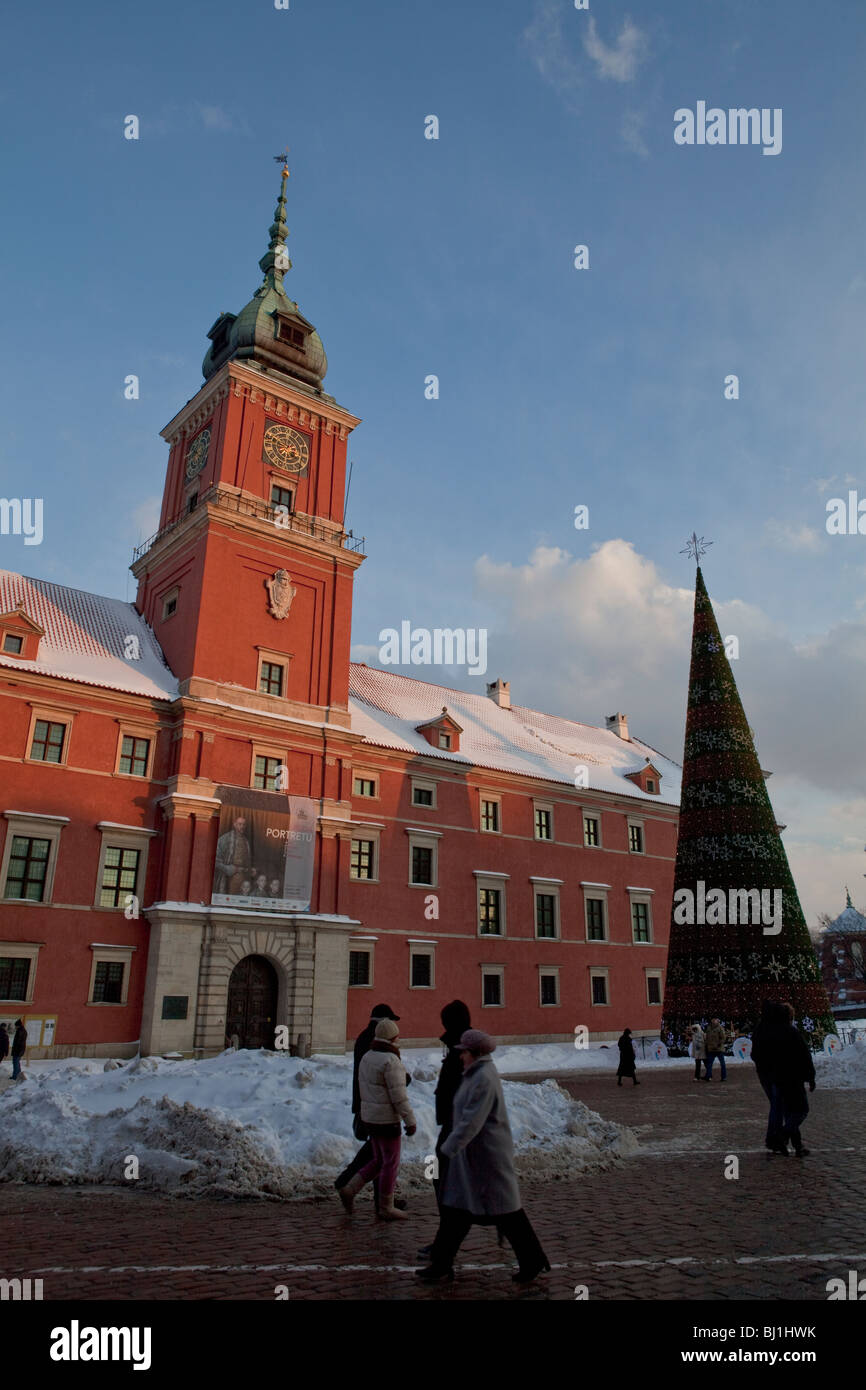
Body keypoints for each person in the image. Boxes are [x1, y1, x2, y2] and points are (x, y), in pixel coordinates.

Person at [417, 1030, 550, 1285]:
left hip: (487, 1158)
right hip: (473, 1159)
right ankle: (442, 1263)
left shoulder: (483, 1078)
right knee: (458, 1212)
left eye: (464, 1052)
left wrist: (448, 1148)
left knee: (506, 1214)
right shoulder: (475, 1075)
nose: (461, 1056)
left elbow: (471, 1121)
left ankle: (532, 1259)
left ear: (475, 1053)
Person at [335, 1003, 409, 1212]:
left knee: (378, 1153)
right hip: (377, 1105)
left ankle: (381, 1198)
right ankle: (347, 1182)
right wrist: (404, 1079)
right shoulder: (375, 1041)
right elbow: (383, 1073)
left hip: (367, 1102)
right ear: (384, 1022)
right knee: (379, 1154)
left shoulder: (364, 1037)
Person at [417, 999, 472, 1260]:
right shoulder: (461, 1045)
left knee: (452, 1186)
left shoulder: (465, 1050)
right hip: (452, 1128)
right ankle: (444, 1245)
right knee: (451, 1186)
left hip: (456, 1130)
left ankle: (443, 1249)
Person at [753, 1002, 816, 1157]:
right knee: (800, 1110)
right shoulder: (789, 1031)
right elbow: (804, 1055)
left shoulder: (762, 1031)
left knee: (781, 1109)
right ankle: (780, 1137)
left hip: (771, 1076)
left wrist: (766, 1069)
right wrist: (810, 1076)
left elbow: (755, 1055)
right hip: (790, 1077)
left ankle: (792, 1144)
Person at [751, 1000, 787, 1152]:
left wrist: (761, 1065)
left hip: (764, 1073)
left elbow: (754, 1054)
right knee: (781, 1106)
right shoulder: (779, 1029)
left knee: (776, 1105)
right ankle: (776, 1138)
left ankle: (775, 1137)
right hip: (777, 1073)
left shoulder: (759, 1029)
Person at [214, 815, 252, 894]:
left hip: (243, 878)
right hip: (227, 878)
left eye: (244, 824)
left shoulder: (246, 841)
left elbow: (247, 862)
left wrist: (249, 870)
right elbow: (216, 860)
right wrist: (228, 869)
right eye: (239, 824)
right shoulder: (225, 839)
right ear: (234, 824)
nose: (242, 826)